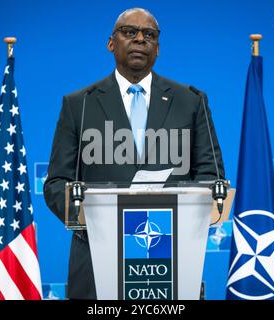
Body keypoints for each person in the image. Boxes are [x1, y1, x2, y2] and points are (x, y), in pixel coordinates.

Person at [44, 8, 225, 299]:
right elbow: (56, 184)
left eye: (149, 35)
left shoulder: (191, 101)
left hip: (170, 258)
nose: (140, 39)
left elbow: (211, 175)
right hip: (97, 259)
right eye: (130, 32)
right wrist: (97, 217)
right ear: (111, 43)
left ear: (158, 48)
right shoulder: (80, 104)